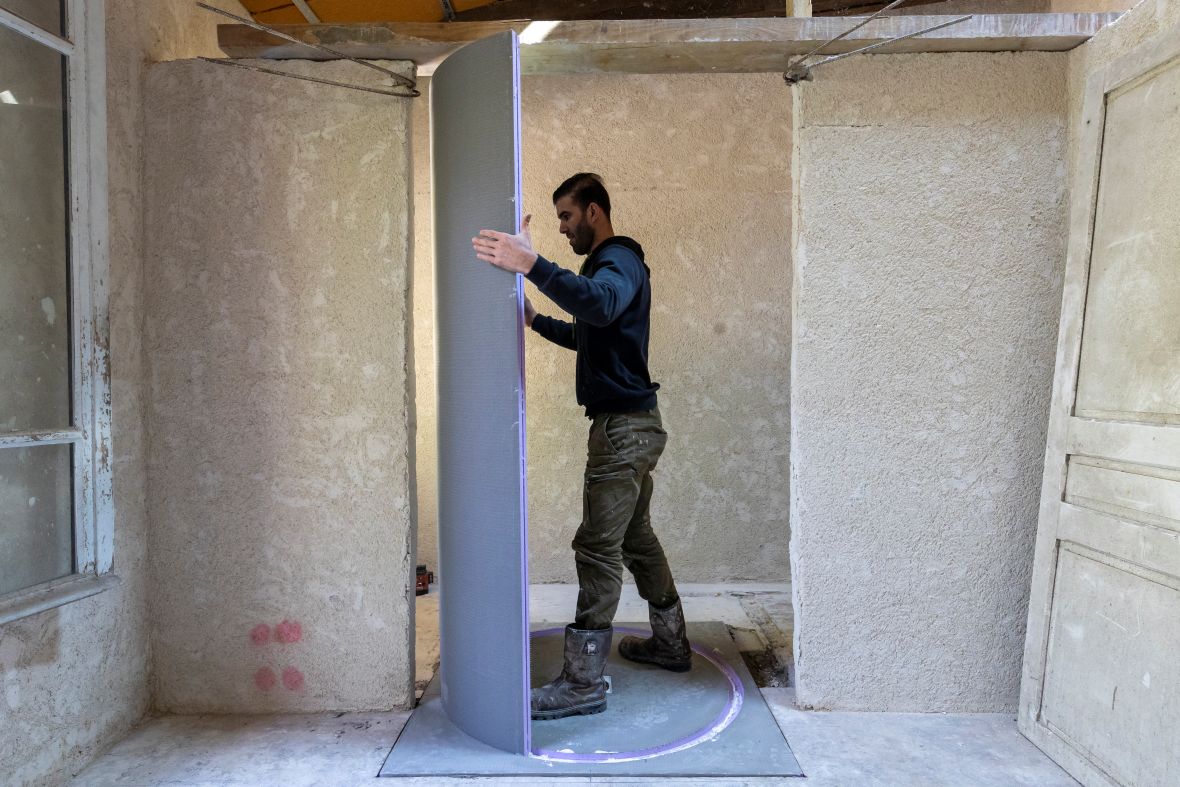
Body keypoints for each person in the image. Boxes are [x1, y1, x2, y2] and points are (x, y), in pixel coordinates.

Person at [472, 173, 691, 722]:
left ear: (594, 211)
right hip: (636, 425)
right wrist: (536, 319)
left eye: (567, 217)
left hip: (622, 431)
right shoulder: (610, 267)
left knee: (597, 549)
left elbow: (599, 305)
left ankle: (582, 684)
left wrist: (532, 265)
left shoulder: (617, 261)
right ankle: (671, 643)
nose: (563, 228)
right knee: (636, 539)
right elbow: (589, 330)